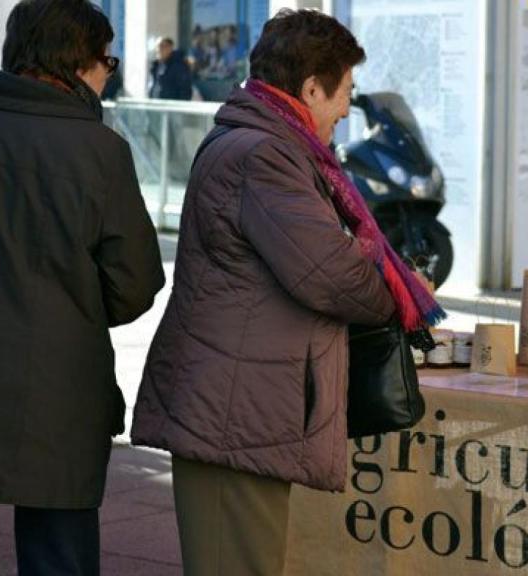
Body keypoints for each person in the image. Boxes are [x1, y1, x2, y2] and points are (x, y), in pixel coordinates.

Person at [131, 8, 442, 576]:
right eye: (344, 92)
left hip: (244, 405)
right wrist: (397, 291)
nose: (348, 108)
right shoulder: (262, 154)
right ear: (310, 88)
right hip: (234, 412)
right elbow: (331, 273)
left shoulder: (269, 145)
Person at [0, 0, 164, 574]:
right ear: (79, 64)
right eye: (108, 61)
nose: (107, 75)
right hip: (60, 391)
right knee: (60, 554)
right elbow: (135, 285)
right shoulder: (101, 152)